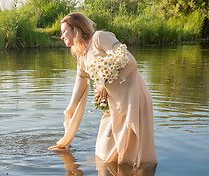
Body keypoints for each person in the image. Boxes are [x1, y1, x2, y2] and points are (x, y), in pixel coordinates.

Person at [48, 12, 157, 166]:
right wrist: (70, 109)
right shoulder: (82, 56)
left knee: (131, 157)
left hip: (132, 99)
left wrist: (104, 85)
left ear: (76, 29)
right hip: (113, 106)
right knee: (103, 151)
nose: (62, 36)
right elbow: (80, 83)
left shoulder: (99, 38)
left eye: (64, 31)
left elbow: (130, 62)